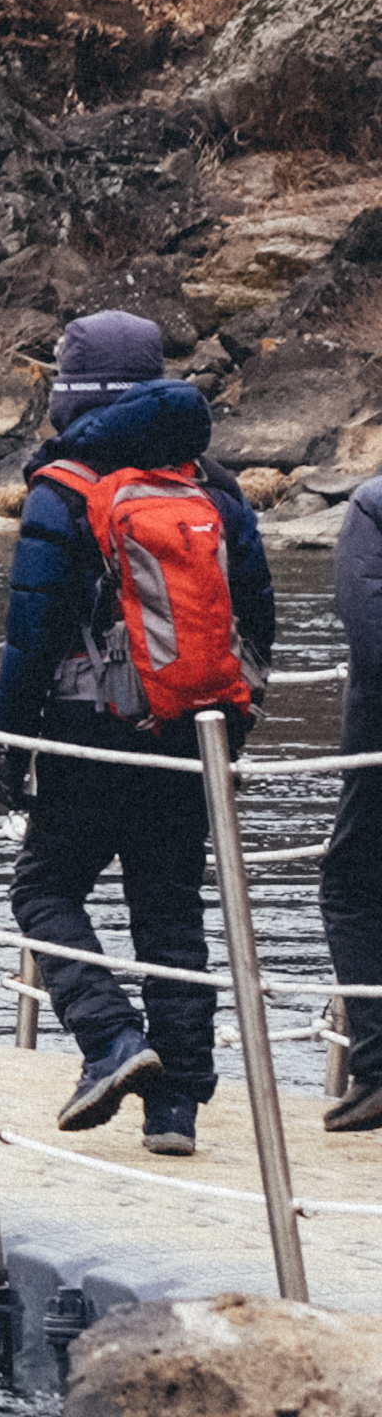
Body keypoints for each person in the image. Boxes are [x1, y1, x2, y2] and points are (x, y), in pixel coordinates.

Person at [0, 310, 274, 1158]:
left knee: (41, 891)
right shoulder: (215, 486)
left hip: (87, 733)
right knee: (170, 913)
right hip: (193, 730)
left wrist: (13, 750)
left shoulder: (63, 486)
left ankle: (112, 1041)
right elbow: (258, 621)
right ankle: (177, 1107)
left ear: (72, 392)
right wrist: (233, 727)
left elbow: (31, 634)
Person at [324, 465, 382, 1133]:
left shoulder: (371, 504)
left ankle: (376, 1066)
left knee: (351, 884)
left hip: (378, 742)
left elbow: (370, 632)